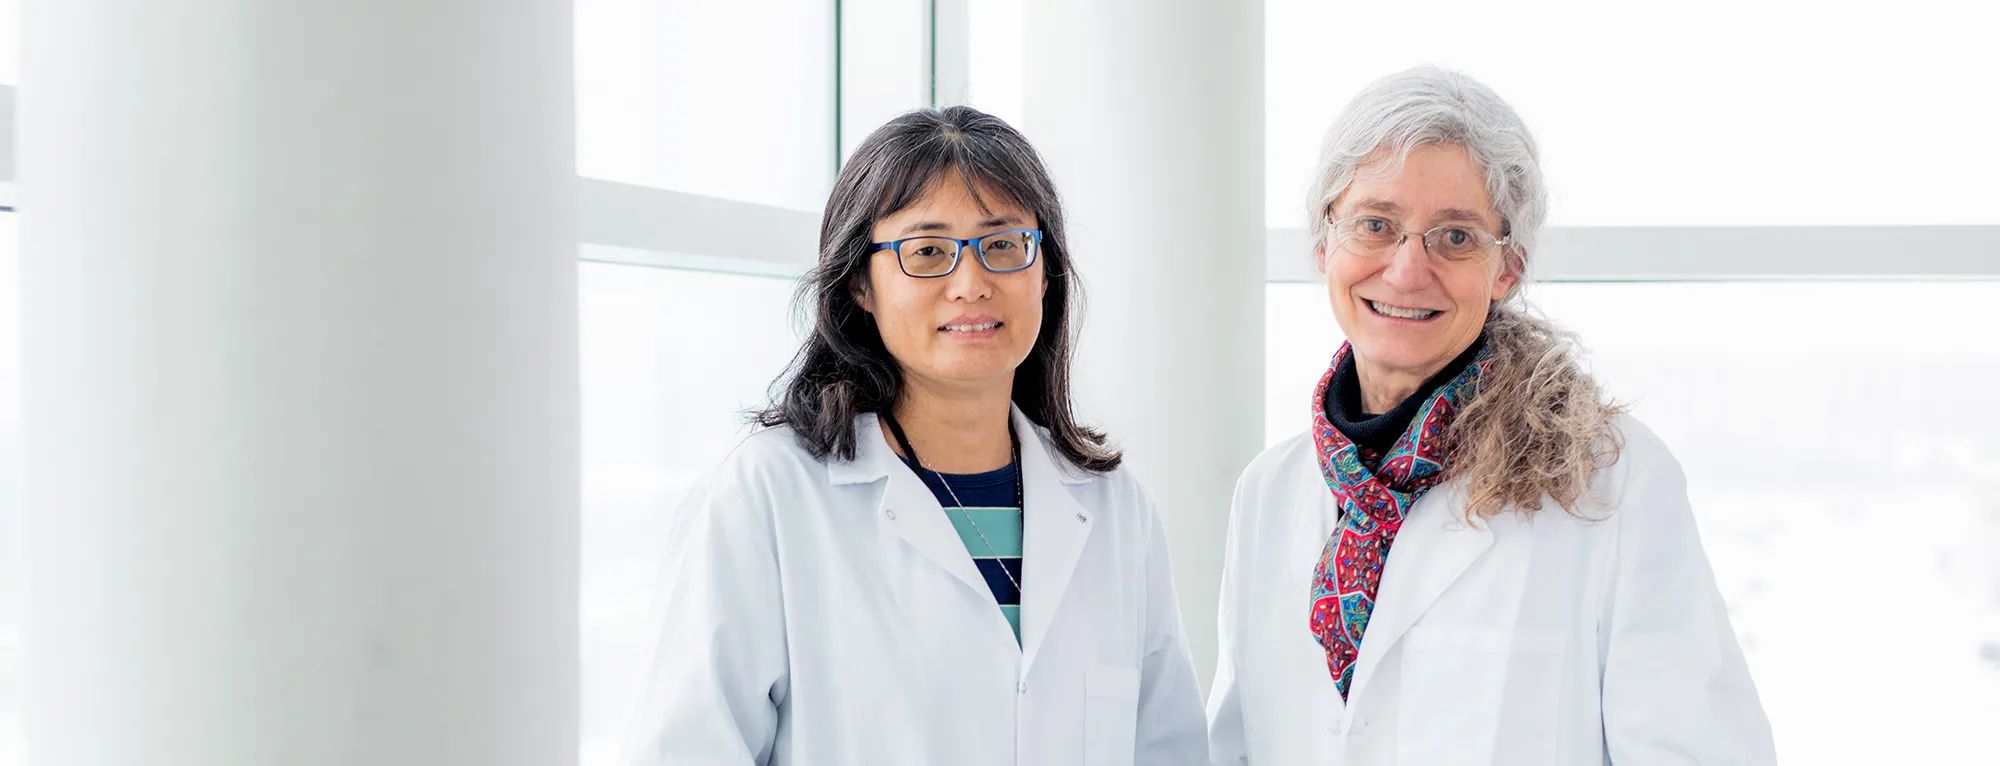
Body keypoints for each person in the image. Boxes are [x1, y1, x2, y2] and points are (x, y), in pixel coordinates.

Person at [1206, 67, 1775, 764]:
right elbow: (1232, 748)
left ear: (1508, 269)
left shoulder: (1612, 482)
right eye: (1377, 225)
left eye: (1455, 237)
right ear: (1325, 243)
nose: (1408, 270)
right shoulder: (1269, 491)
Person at [625, 106, 1208, 765]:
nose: (971, 284)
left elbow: (1169, 747)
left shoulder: (1114, 509)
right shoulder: (770, 494)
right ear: (861, 285)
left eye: (1004, 245)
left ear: (1044, 270)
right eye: (927, 251)